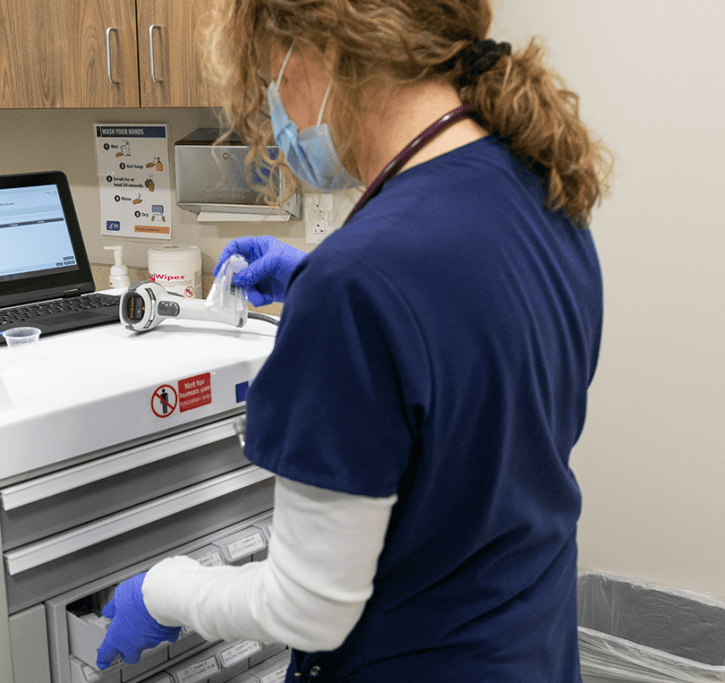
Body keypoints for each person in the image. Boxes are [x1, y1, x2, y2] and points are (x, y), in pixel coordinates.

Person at [96, 1, 613, 680]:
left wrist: (163, 591)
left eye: (270, 76)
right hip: (532, 647)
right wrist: (315, 280)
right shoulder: (541, 188)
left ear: (325, 50)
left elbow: (309, 607)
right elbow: (472, 355)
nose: (277, 108)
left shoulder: (360, 282)